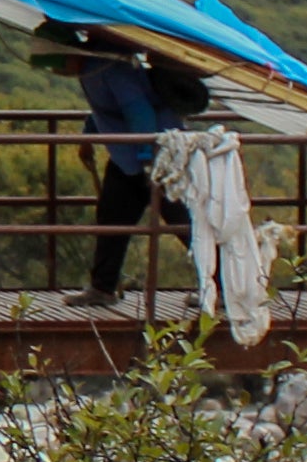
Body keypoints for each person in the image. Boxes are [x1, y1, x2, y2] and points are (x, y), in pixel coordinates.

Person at [69, 36, 205, 299]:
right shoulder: (92, 70)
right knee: (111, 219)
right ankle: (102, 287)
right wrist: (89, 138)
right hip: (128, 156)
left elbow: (139, 111)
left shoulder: (109, 67)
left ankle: (220, 287)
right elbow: (105, 110)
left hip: (159, 155)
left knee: (183, 223)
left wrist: (146, 158)